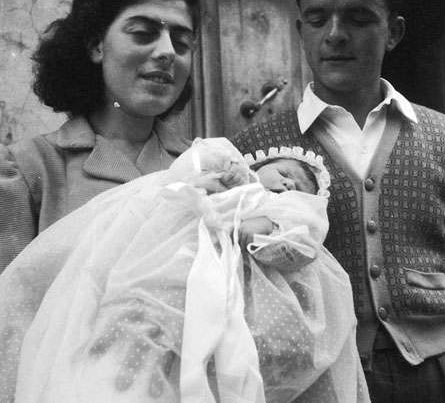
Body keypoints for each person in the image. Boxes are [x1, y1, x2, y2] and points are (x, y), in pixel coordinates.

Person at [232, 0, 445, 403]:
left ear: (393, 31)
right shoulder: (253, 150)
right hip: (319, 382)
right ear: (300, 30)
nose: (335, 35)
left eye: (358, 18)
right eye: (318, 19)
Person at [0, 137, 369, 403]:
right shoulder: (231, 171)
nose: (289, 184)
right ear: (257, 165)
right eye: (285, 172)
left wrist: (259, 230)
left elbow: (298, 244)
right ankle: (118, 379)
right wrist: (218, 179)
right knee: (140, 313)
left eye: (299, 187)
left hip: (232, 290)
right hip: (173, 265)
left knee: (204, 346)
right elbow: (184, 176)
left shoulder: (285, 210)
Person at [0, 0, 200, 274]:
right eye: (143, 33)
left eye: (181, 42)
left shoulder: (204, 165)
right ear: (97, 46)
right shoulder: (29, 169)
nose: (167, 52)